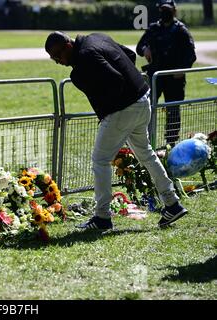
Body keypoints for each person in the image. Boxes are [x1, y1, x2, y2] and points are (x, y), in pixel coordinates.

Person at [44, 31, 187, 230]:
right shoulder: (97, 37)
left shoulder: (84, 58)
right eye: (53, 59)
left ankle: (102, 217)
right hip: (142, 100)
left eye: (58, 56)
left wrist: (108, 111)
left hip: (123, 109)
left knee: (100, 160)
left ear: (68, 46)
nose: (58, 61)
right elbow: (129, 55)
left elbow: (115, 80)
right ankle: (172, 203)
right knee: (146, 154)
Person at [136, 0, 196, 146]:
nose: (165, 13)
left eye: (168, 10)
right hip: (154, 77)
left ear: (174, 11)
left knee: (173, 111)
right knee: (147, 109)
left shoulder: (181, 30)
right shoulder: (154, 28)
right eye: (162, 10)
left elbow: (191, 55)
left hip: (174, 78)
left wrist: (182, 69)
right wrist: (145, 49)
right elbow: (139, 46)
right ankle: (145, 142)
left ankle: (170, 145)